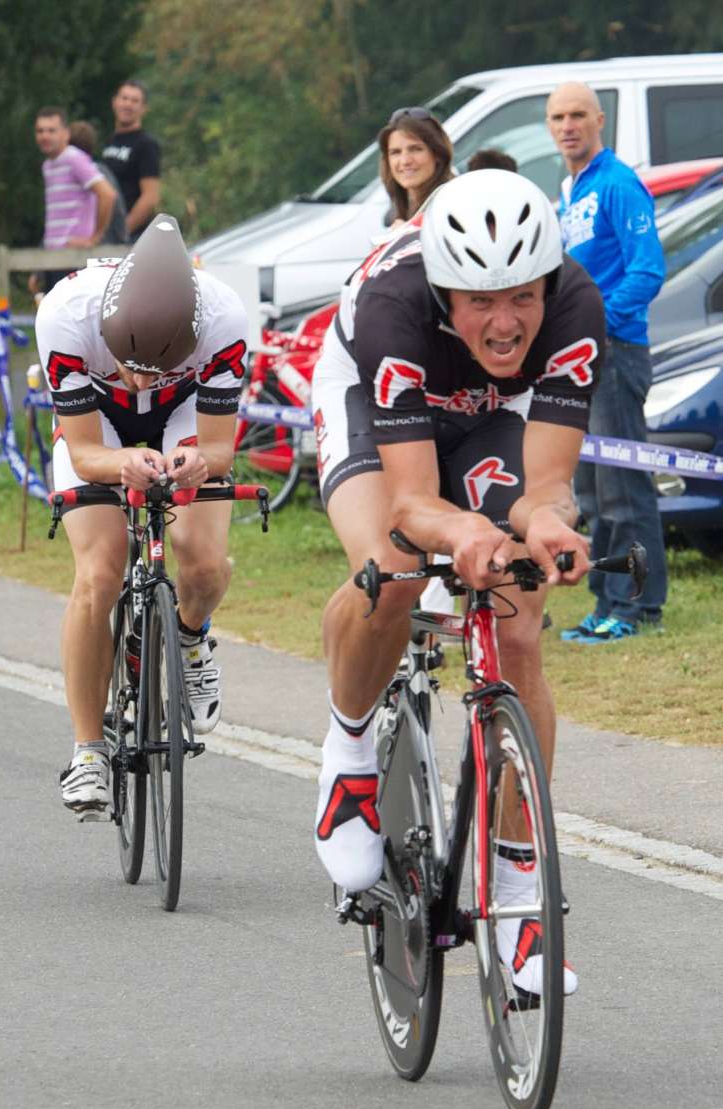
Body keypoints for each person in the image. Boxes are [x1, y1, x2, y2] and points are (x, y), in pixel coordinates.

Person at [308, 170, 606, 995]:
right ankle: (349, 756)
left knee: (517, 619)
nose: (504, 323)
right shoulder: (394, 305)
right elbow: (412, 503)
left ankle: (519, 899)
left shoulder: (576, 308)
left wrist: (544, 523)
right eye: (480, 302)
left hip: (488, 414)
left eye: (522, 298)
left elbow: (545, 485)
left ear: (548, 283)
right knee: (395, 570)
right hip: (370, 398)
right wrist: (467, 529)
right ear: (444, 288)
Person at [36, 216, 249, 814]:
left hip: (185, 415)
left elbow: (219, 447)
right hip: (99, 421)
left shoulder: (224, 319)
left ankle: (190, 639)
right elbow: (84, 453)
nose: (140, 381)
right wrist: (121, 461)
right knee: (99, 574)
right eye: (130, 364)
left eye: (157, 368)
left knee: (203, 563)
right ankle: (88, 751)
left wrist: (195, 463)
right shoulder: (66, 313)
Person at [547, 81, 668, 644]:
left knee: (623, 488)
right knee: (592, 490)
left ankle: (638, 607)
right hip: (580, 357)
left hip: (615, 352)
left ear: (599, 120)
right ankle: (606, 601)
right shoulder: (571, 189)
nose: (567, 126)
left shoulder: (618, 183)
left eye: (578, 115)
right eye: (557, 118)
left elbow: (647, 269)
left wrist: (600, 324)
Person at [32, 106, 117, 296]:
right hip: (53, 257)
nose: (45, 136)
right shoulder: (48, 165)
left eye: (51, 130)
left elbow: (107, 194)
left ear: (65, 133)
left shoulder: (74, 159)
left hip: (73, 258)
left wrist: (95, 237)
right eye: (40, 131)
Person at [101, 80, 163, 241]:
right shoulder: (109, 141)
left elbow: (150, 197)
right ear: (114, 102)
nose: (128, 104)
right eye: (124, 98)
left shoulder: (146, 144)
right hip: (109, 234)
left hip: (134, 238)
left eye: (135, 101)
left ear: (144, 108)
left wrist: (123, 232)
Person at [377, 108, 454, 228]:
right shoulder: (399, 209)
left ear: (438, 154)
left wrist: (411, 235)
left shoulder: (455, 204)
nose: (405, 161)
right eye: (395, 152)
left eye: (415, 149)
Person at [69, 120, 130, 245]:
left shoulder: (83, 173)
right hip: (108, 245)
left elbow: (110, 197)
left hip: (93, 245)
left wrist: (95, 237)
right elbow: (119, 211)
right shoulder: (103, 171)